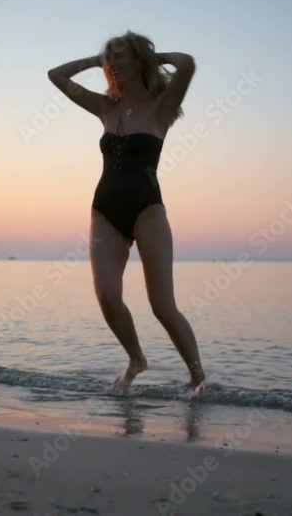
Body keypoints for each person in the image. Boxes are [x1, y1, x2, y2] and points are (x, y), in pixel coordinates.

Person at [47, 31, 206, 395]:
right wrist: (96, 61)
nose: (114, 62)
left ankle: (198, 377)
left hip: (147, 209)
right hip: (104, 210)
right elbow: (56, 75)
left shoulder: (161, 107)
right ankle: (137, 359)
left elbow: (187, 63)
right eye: (110, 57)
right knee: (107, 297)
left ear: (139, 61)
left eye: (121, 56)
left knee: (162, 306)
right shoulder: (106, 107)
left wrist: (153, 56)